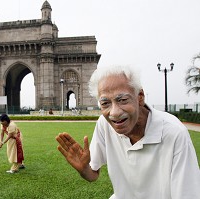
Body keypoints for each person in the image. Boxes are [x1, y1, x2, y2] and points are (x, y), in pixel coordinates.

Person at [56, 65, 200, 199]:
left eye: (123, 100)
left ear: (140, 97)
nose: (115, 112)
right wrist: (83, 169)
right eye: (105, 103)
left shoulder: (174, 133)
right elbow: (92, 174)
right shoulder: (105, 124)